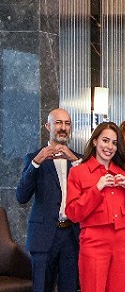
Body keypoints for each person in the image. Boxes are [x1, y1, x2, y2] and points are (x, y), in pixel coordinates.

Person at [65, 122, 125, 292]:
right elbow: (73, 213)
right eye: (105, 141)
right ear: (95, 141)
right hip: (93, 241)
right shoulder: (78, 172)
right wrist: (96, 189)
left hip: (122, 242)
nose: (109, 147)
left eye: (114, 143)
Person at [17, 108, 82, 292]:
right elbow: (21, 197)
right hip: (43, 237)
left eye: (67, 123)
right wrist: (36, 163)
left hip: (71, 237)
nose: (63, 127)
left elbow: (90, 191)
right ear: (48, 126)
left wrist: (75, 161)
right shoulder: (33, 158)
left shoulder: (78, 160)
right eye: (58, 122)